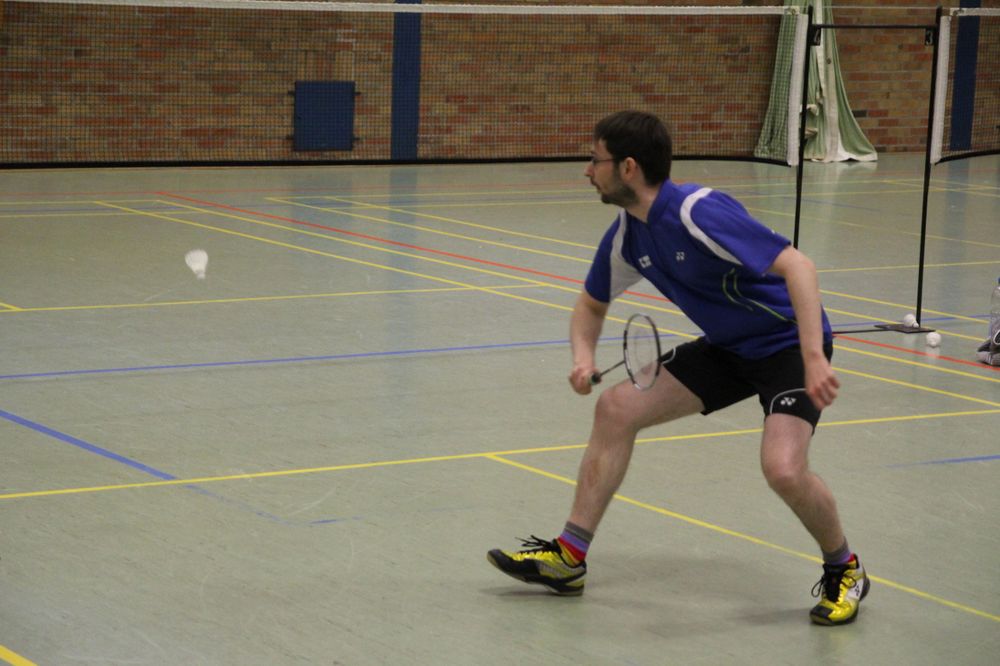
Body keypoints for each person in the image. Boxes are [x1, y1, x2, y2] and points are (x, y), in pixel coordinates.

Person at [487, 110, 869, 626]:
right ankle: (569, 557)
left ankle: (844, 567)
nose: (587, 171)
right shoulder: (628, 234)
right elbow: (591, 305)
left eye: (595, 160)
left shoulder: (698, 212)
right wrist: (582, 357)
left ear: (627, 167)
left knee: (783, 469)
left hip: (786, 347)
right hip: (729, 348)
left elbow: (798, 266)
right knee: (616, 408)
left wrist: (813, 357)